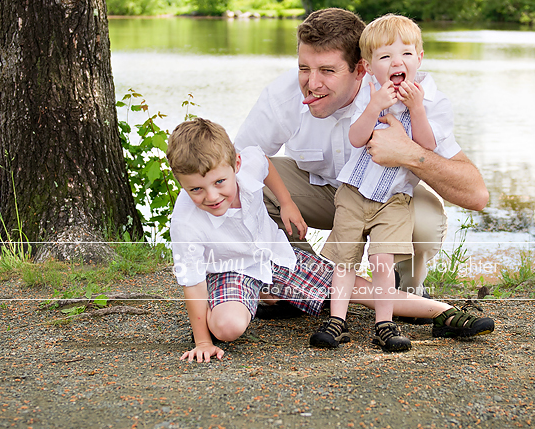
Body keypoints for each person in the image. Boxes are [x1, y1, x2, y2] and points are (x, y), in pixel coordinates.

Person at [166, 118, 494, 362]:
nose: (211, 196)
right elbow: (191, 282)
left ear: (235, 166)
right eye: (195, 189)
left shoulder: (246, 161)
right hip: (231, 269)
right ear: (181, 183)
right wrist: (203, 341)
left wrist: (288, 202)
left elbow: (265, 164)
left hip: (274, 256)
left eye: (220, 182)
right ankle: (236, 300)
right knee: (227, 328)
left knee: (350, 286)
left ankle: (444, 313)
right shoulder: (185, 222)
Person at [234, 8, 489, 299]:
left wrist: (408, 153)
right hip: (320, 195)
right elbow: (235, 163)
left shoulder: (410, 96)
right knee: (248, 181)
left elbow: (476, 195)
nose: (312, 83)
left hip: (389, 200)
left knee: (428, 220)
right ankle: (302, 276)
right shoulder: (283, 96)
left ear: (361, 69)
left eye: (327, 71)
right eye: (304, 68)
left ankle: (406, 286)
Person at [312, 14, 453, 352]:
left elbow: (427, 146)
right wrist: (374, 105)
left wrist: (415, 109)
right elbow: (356, 138)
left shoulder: (432, 102)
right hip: (355, 192)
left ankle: (385, 324)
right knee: (345, 259)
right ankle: (337, 321)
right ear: (369, 65)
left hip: (394, 199)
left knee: (382, 262)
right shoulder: (368, 94)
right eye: (385, 56)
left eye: (406, 53)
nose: (396, 62)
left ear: (419, 58)